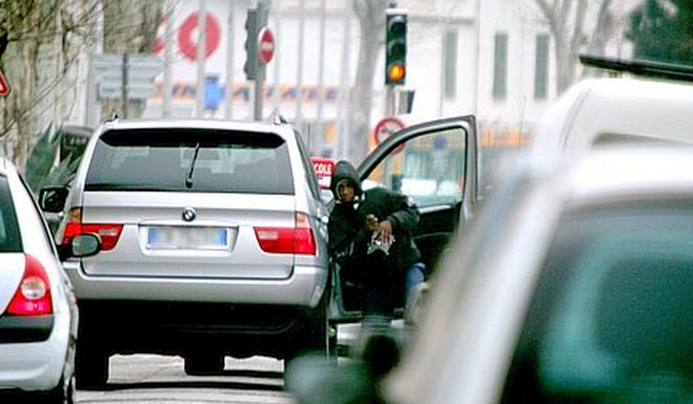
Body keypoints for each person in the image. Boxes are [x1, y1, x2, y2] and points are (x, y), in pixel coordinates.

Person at [328, 160, 423, 324]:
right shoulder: (337, 219)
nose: (345, 192)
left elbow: (412, 211)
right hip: (376, 280)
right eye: (340, 188)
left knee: (418, 313)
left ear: (355, 185)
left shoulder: (379, 196)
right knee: (373, 331)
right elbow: (343, 256)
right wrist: (365, 232)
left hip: (406, 266)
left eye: (348, 186)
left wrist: (392, 222)